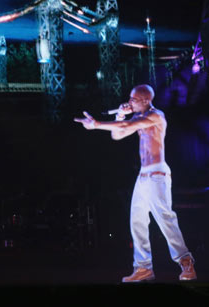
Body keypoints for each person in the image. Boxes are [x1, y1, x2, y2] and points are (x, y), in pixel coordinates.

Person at [74, 84, 197, 282]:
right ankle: (143, 268)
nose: (129, 102)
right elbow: (118, 135)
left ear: (145, 100)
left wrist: (96, 124)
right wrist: (120, 116)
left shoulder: (157, 116)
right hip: (143, 175)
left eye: (133, 99)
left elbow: (125, 128)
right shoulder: (139, 118)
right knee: (137, 221)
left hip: (157, 173)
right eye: (129, 99)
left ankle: (186, 262)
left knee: (165, 218)